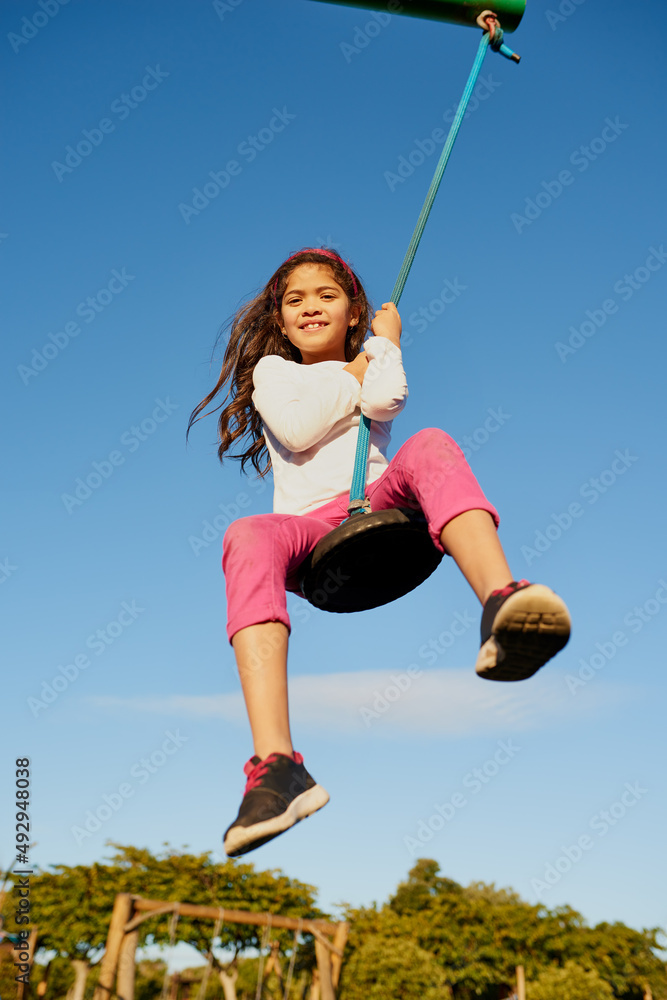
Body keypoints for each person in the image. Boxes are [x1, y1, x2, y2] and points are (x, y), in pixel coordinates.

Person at [188, 247, 571, 857]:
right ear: (281, 322)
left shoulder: (370, 360)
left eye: (326, 296)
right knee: (245, 534)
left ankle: (503, 603)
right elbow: (298, 428)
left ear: (351, 311)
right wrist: (364, 359)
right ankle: (276, 767)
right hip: (311, 536)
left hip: (377, 507)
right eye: (295, 300)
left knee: (430, 443)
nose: (310, 306)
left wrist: (384, 346)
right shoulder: (274, 373)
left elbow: (388, 399)